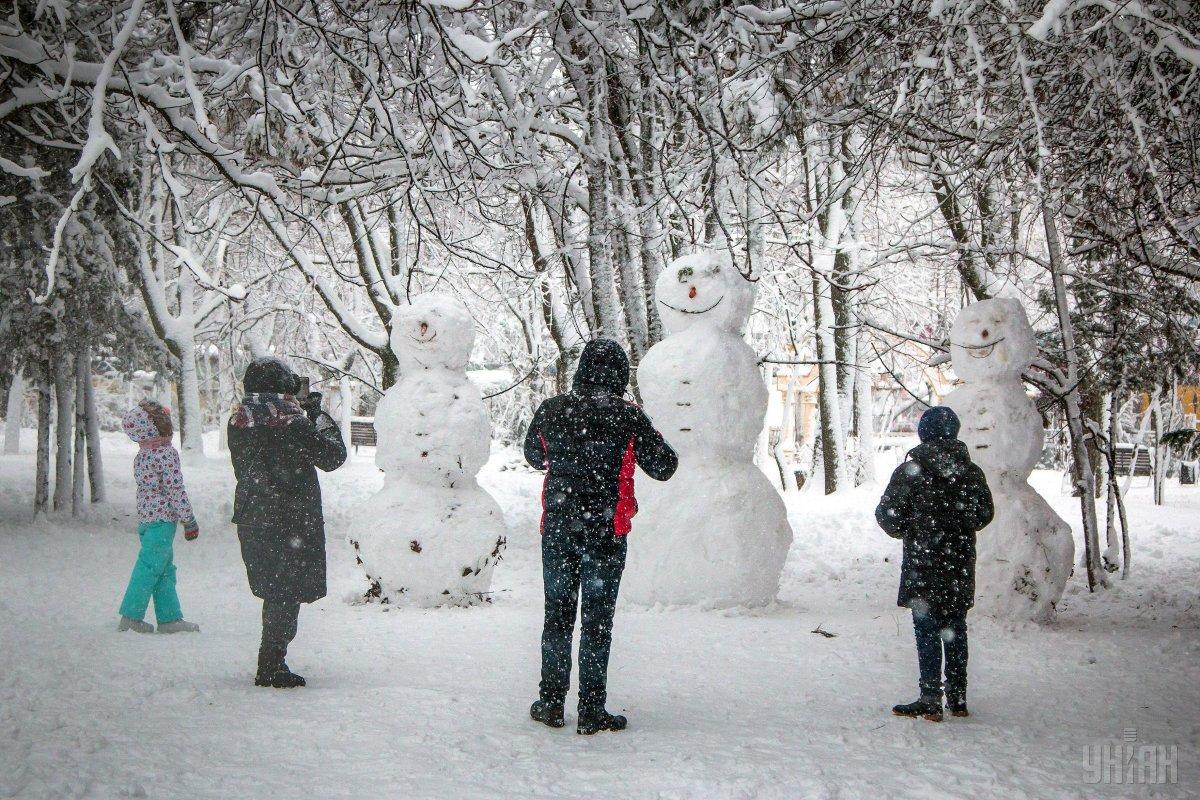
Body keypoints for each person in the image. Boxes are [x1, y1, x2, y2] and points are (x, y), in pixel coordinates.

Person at [523, 339, 678, 735]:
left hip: (558, 530)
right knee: (597, 623)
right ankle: (592, 709)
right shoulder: (629, 416)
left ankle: (551, 702)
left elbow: (534, 456)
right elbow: (664, 466)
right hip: (606, 533)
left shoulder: (552, 409)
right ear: (621, 375)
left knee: (557, 617)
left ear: (582, 370)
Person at [228, 357, 347, 688]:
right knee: (285, 592)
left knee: (275, 590)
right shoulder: (293, 424)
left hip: (254, 517)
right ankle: (271, 664)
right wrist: (317, 414)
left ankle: (271, 661)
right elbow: (334, 456)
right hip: (290, 519)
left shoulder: (239, 422)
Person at [875, 405, 993, 721]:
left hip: (922, 564)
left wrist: (912, 529)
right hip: (958, 563)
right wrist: (958, 526)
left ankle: (930, 698)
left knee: (926, 629)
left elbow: (887, 515)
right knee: (955, 627)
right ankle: (957, 697)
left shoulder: (910, 472)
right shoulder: (970, 472)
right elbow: (984, 514)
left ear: (923, 433)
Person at [117, 401, 201, 634]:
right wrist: (188, 519)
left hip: (147, 520)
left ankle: (169, 618)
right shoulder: (165, 454)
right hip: (162, 522)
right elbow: (175, 488)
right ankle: (130, 616)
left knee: (163, 569)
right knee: (148, 568)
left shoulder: (144, 454)